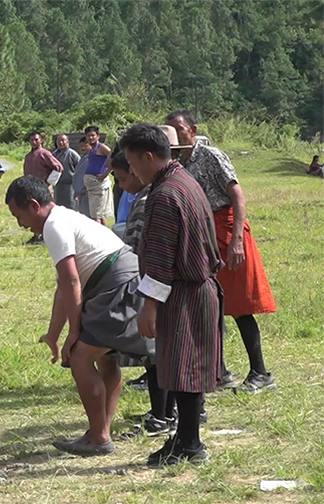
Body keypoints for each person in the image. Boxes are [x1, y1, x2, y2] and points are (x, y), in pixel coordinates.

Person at [6, 176, 154, 456]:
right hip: (121, 282)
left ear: (34, 205)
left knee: (80, 357)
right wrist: (53, 333)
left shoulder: (53, 225)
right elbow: (64, 286)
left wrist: (74, 332)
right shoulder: (63, 217)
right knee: (106, 360)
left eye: (19, 216)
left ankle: (99, 438)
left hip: (119, 285)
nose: (21, 224)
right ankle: (100, 432)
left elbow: (72, 281)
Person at [120, 122, 223, 466]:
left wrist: (149, 306)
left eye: (133, 164)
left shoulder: (164, 195)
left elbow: (162, 257)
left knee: (183, 367)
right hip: (195, 289)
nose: (132, 171)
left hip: (183, 291)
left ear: (148, 157)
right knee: (182, 367)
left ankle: (191, 444)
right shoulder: (184, 181)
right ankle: (184, 439)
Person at [166, 110, 277, 393]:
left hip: (226, 231)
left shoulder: (211, 155)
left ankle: (260, 372)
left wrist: (238, 240)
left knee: (239, 305)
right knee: (210, 305)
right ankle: (220, 371)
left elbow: (237, 195)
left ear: (192, 129)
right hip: (204, 235)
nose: (177, 134)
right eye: (171, 129)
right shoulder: (178, 162)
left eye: (180, 128)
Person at [110, 151, 178, 437]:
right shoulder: (145, 197)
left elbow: (144, 248)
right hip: (149, 282)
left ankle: (163, 415)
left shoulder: (151, 199)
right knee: (155, 354)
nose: (124, 184)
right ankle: (162, 411)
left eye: (125, 177)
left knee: (156, 354)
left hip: (152, 284)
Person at [22, 131, 64, 244]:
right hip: (31, 188)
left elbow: (58, 167)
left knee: (46, 212)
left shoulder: (44, 153)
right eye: (32, 140)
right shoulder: (29, 156)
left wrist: (49, 182)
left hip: (43, 188)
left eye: (36, 139)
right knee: (34, 212)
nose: (34, 142)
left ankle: (48, 236)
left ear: (41, 140)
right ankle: (37, 235)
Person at [82, 126, 114, 225]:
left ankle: (98, 237)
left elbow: (113, 157)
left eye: (93, 135)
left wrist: (105, 173)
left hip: (99, 185)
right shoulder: (91, 149)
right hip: (92, 187)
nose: (91, 138)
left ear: (98, 136)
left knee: (96, 215)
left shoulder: (101, 147)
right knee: (99, 214)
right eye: (88, 136)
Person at [52, 134, 81, 209]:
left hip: (70, 186)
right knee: (59, 208)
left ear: (68, 142)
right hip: (58, 186)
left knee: (71, 208)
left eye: (63, 140)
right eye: (59, 141)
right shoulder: (54, 154)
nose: (61, 143)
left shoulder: (73, 154)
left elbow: (80, 169)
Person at [73, 137, 92, 217]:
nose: (83, 148)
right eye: (81, 146)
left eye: (85, 146)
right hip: (80, 192)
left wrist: (88, 189)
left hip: (86, 191)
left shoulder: (91, 158)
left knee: (92, 216)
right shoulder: (83, 158)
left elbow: (91, 175)